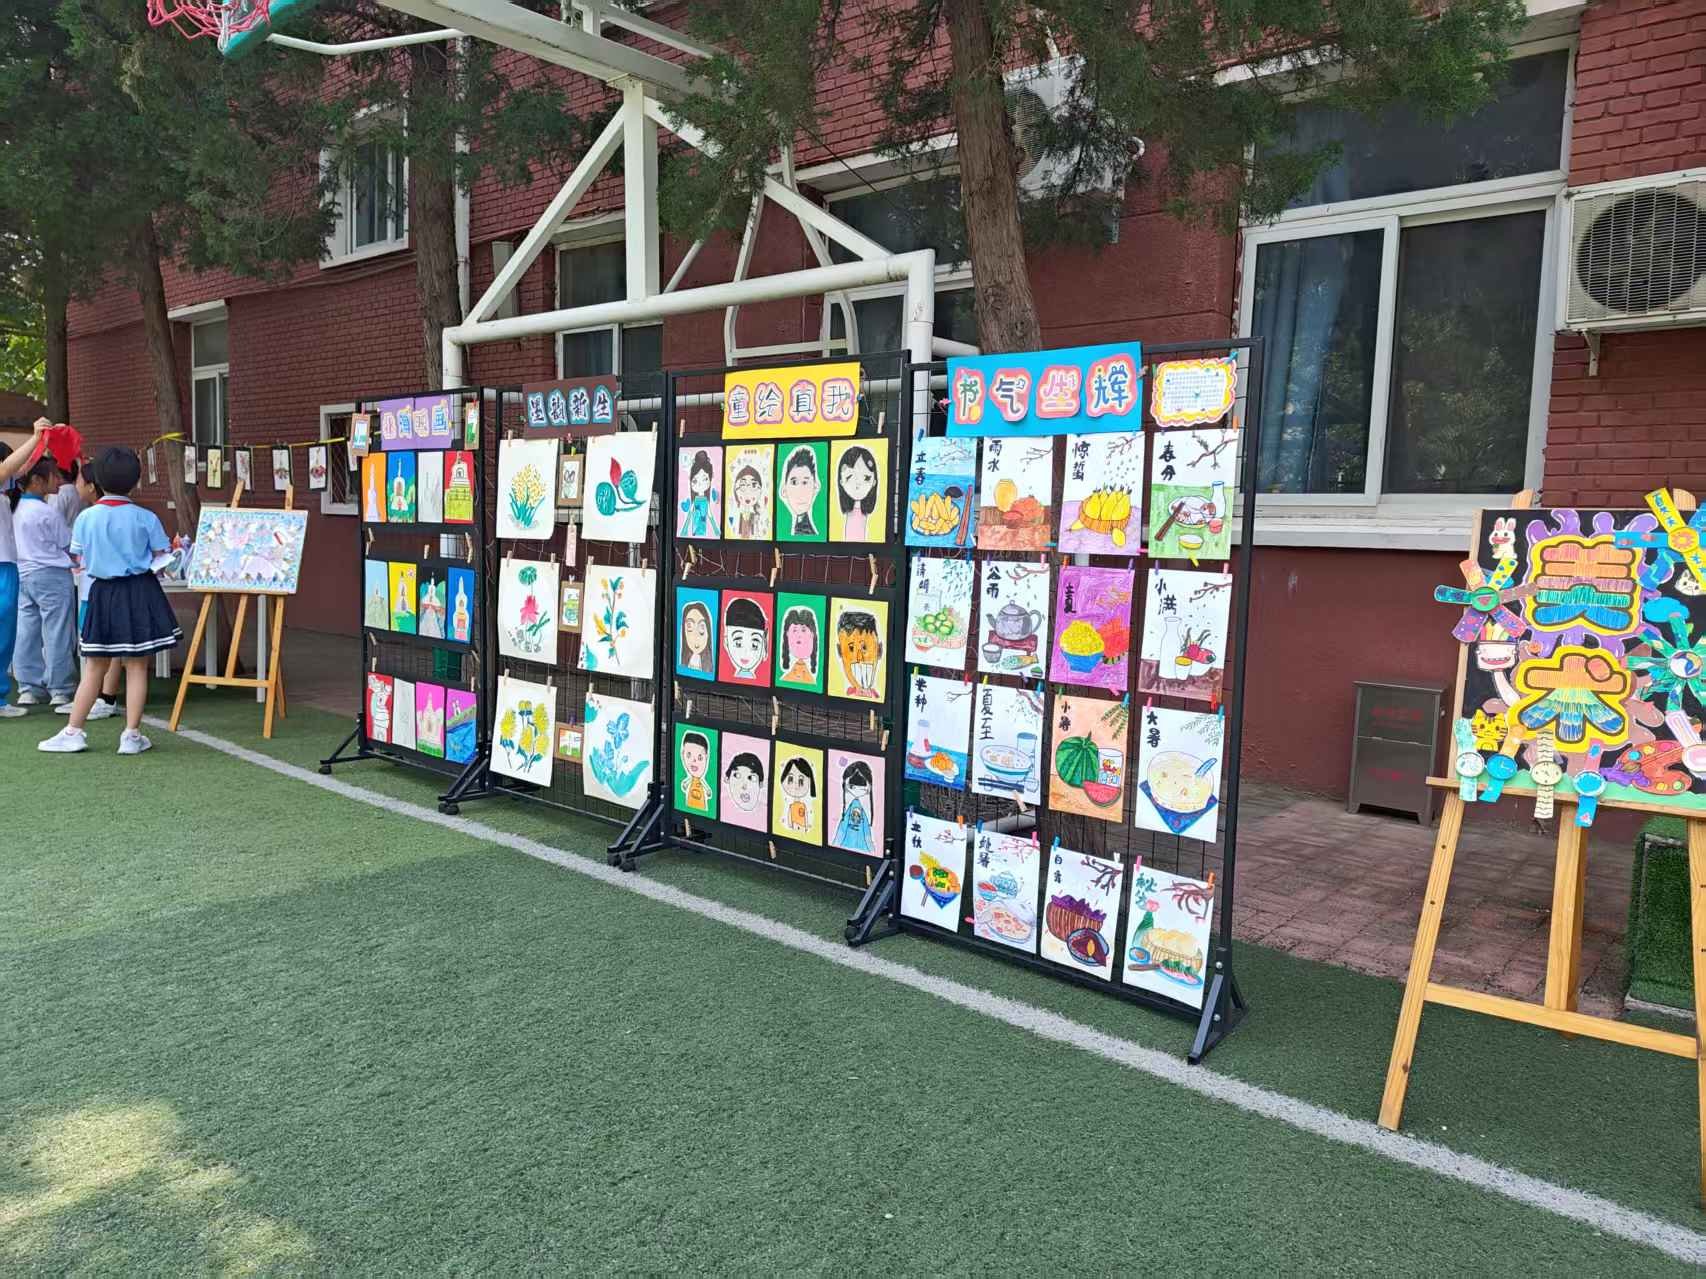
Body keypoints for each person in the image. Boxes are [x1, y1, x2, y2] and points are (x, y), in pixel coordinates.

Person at [39, 447, 182, 755]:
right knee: (137, 667)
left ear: (98, 481)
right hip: (140, 591)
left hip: (102, 592)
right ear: (136, 482)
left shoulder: (86, 518)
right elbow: (162, 557)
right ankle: (131, 735)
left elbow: (79, 556)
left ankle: (73, 731)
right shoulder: (146, 517)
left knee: (94, 666)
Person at [0, 421, 59, 719]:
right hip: (3, 568)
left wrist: (42, 444)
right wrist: (35, 438)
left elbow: (20, 469)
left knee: (6, 634)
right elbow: (8, 469)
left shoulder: (5, 494)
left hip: (8, 566)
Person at [11, 456, 78, 707]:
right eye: (54, 476)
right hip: (52, 575)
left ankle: (28, 687)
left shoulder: (14, 508)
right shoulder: (47, 512)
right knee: (57, 631)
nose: (59, 480)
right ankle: (59, 688)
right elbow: (68, 544)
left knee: (26, 631)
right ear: (38, 481)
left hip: (22, 574)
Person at [61, 463, 120, 720]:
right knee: (106, 649)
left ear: (92, 486)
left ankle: (103, 698)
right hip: (102, 590)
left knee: (100, 650)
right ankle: (99, 697)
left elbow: (77, 553)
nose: (75, 485)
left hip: (95, 591)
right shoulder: (120, 514)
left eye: (78, 480)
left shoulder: (89, 517)